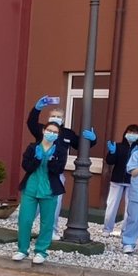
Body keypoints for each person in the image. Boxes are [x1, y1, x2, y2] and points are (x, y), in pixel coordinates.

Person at [27, 95, 96, 240]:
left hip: (56, 174)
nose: (56, 118)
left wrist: (93, 140)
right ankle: (25, 227)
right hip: (38, 172)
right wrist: (37, 108)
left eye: (58, 116)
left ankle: (51, 230)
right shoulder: (41, 130)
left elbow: (82, 145)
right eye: (53, 116)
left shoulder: (68, 134)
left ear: (63, 119)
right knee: (33, 202)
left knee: (55, 204)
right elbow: (31, 122)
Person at [13, 122, 67, 264]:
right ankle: (22, 250)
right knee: (24, 220)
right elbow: (26, 166)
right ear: (43, 131)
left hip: (49, 189)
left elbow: (59, 169)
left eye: (55, 132)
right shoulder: (32, 147)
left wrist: (51, 160)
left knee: (47, 222)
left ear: (58, 135)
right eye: (49, 130)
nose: (51, 133)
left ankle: (41, 251)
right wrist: (37, 159)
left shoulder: (60, 150)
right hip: (31, 187)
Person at [102, 124, 138, 236]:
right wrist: (112, 152)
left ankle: (125, 231)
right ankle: (107, 229)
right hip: (117, 179)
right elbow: (110, 161)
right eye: (130, 132)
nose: (131, 135)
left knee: (130, 209)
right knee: (111, 205)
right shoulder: (118, 146)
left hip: (132, 181)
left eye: (135, 133)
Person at [121, 145, 138, 253]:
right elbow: (132, 172)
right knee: (134, 219)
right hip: (137, 193)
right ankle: (128, 243)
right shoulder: (136, 154)